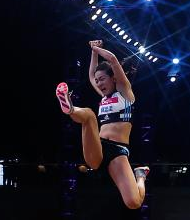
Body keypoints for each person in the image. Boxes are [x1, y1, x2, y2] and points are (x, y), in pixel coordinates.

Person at [55, 40, 149, 210]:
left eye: (102, 79)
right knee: (89, 116)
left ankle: (140, 175)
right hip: (98, 147)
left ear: (114, 78)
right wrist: (93, 54)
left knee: (134, 203)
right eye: (97, 81)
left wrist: (96, 48)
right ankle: (69, 108)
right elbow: (91, 75)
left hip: (118, 151)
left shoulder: (125, 92)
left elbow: (112, 59)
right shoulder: (104, 97)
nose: (98, 83)